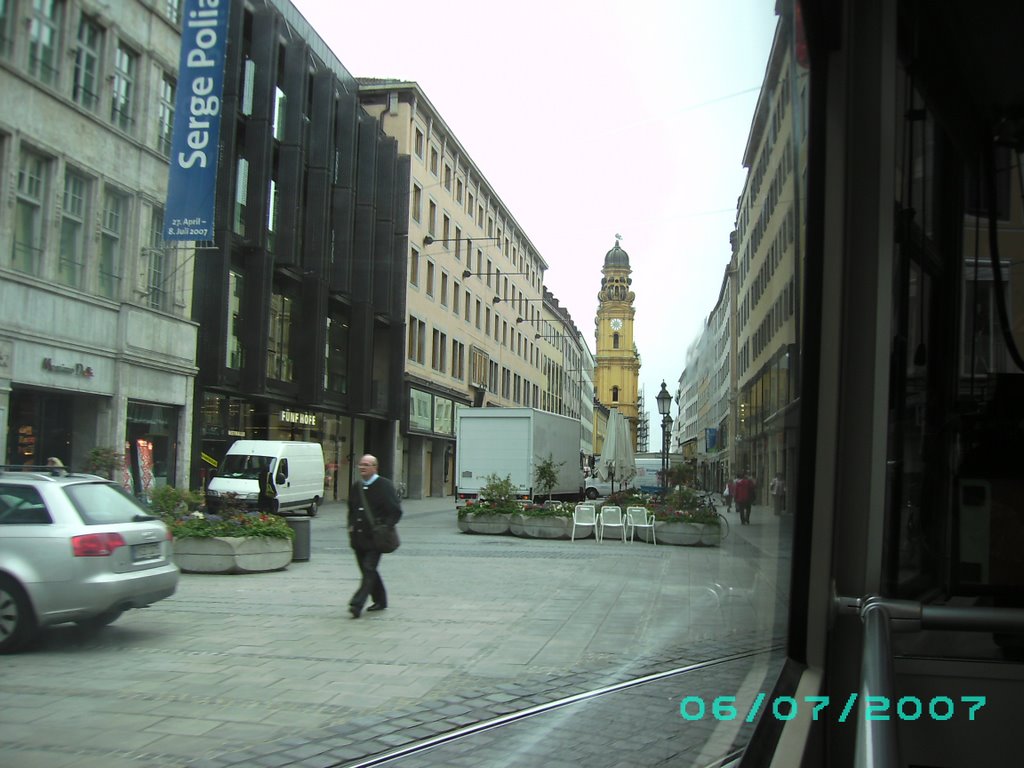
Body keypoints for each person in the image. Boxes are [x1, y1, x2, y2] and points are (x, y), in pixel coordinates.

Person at [347, 454, 403, 618]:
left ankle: (357, 604)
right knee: (367, 571)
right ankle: (381, 600)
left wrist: (386, 526)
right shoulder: (356, 486)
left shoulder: (384, 485)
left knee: (369, 568)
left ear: (374, 468)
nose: (362, 467)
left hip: (375, 539)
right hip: (358, 538)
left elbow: (396, 511)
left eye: (366, 465)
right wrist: (350, 526)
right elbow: (351, 508)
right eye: (360, 465)